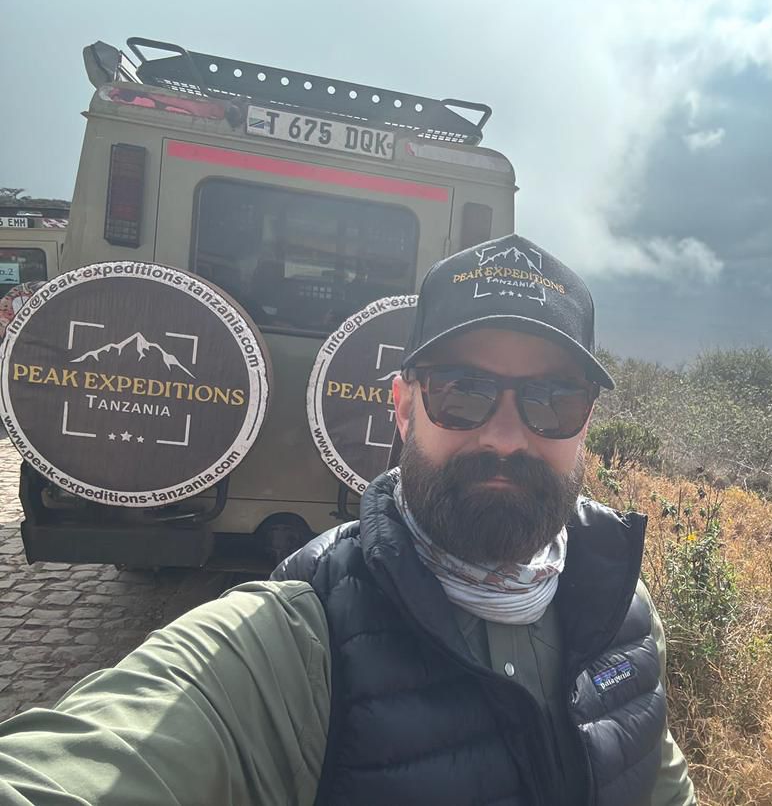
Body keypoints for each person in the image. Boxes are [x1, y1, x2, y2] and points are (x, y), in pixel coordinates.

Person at [0, 234, 696, 805]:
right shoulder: (299, 641)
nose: (506, 437)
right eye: (463, 391)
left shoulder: (621, 610)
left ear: (586, 424)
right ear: (401, 406)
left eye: (552, 400)